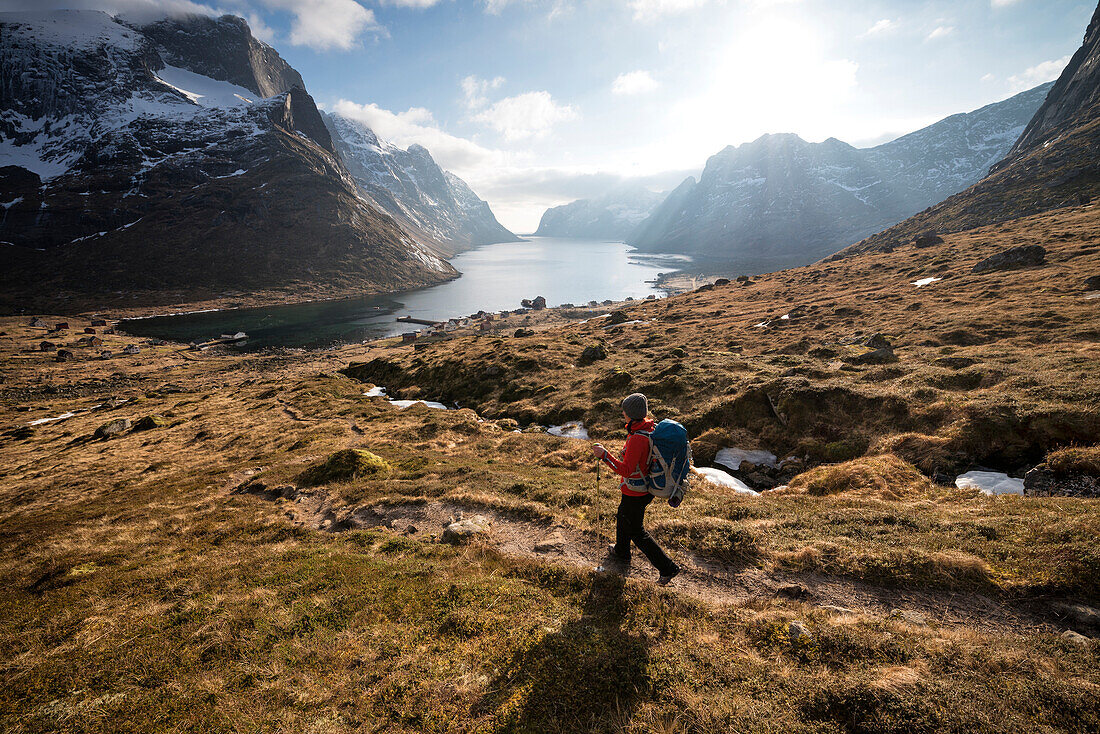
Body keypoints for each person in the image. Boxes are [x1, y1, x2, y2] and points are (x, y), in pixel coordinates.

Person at [591, 392, 680, 585]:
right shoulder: (649, 428)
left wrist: (605, 455)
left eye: (624, 411)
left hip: (636, 490)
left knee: (636, 530)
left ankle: (668, 568)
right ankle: (622, 551)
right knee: (623, 515)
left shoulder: (638, 438)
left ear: (630, 413)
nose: (623, 413)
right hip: (645, 487)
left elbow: (627, 470)